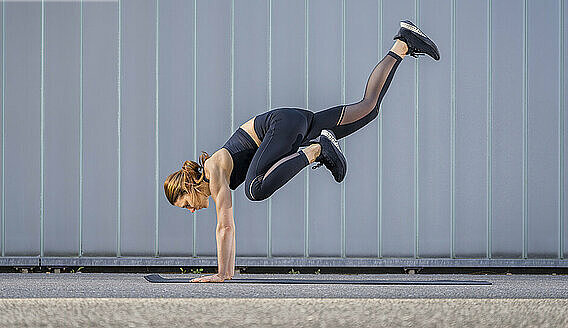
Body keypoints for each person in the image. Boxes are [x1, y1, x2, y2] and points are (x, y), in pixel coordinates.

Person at [164, 20, 440, 282]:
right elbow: (228, 228)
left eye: (186, 203)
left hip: (280, 126)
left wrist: (222, 274)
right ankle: (403, 43)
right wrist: (228, 273)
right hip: (290, 126)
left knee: (254, 189)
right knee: (368, 108)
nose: (191, 210)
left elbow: (225, 226)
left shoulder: (214, 169)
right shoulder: (216, 171)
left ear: (189, 184)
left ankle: (319, 149)